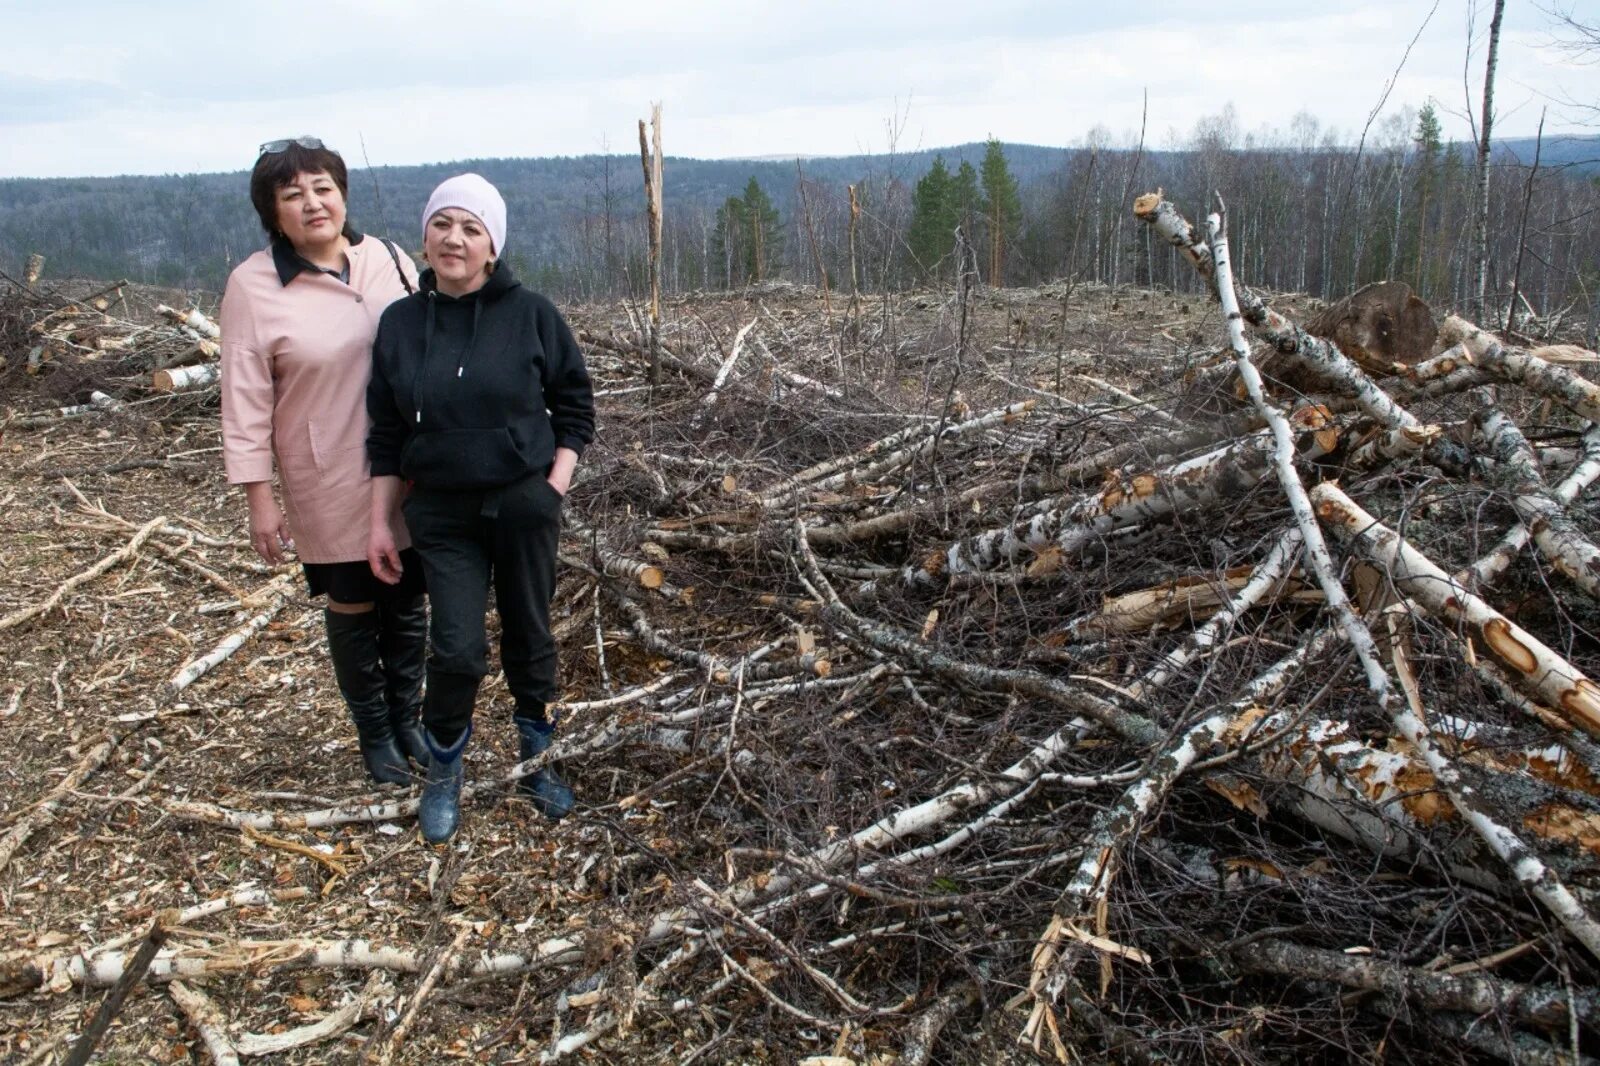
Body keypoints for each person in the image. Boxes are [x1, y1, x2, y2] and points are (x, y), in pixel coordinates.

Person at [366, 173, 595, 843]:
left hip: (524, 502)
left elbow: (575, 406)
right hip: (440, 512)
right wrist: (383, 519)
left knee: (531, 632)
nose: (454, 239)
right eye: (443, 224)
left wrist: (553, 483)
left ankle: (538, 759)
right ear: (426, 235)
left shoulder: (533, 315)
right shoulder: (402, 324)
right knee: (458, 647)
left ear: (492, 245)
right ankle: (445, 769)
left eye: (471, 228)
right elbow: (384, 431)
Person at [220, 136, 429, 786]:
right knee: (354, 596)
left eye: (322, 188)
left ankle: (410, 720)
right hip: (326, 470)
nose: (313, 203)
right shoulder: (253, 287)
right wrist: (258, 495)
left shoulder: (389, 260)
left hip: (410, 467)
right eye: (293, 195)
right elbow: (244, 397)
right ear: (273, 213)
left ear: (342, 194)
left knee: (408, 591)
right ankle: (375, 734)